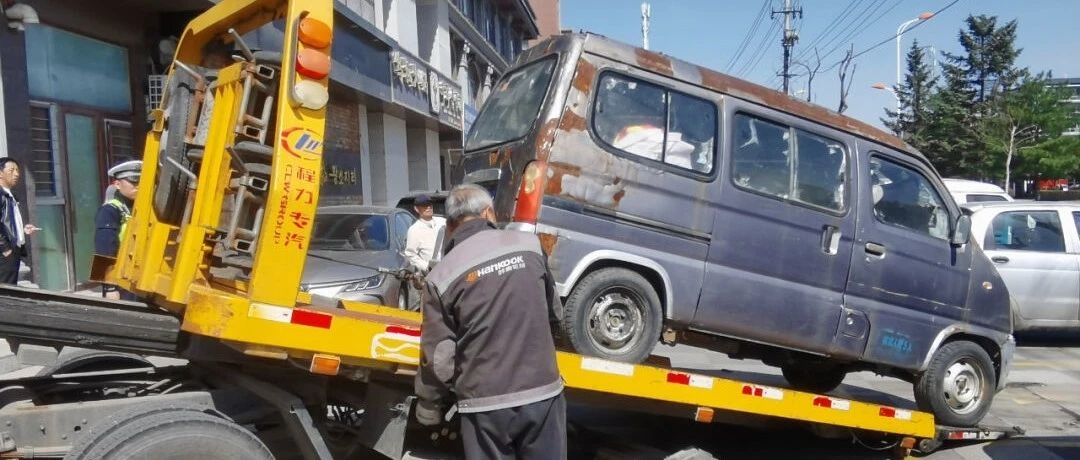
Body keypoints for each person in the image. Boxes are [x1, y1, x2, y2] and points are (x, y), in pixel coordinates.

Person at [414, 184, 566, 460]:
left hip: (484, 403)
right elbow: (555, 312)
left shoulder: (441, 276)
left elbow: (439, 357)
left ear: (450, 225)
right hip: (542, 393)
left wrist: (430, 403)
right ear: (489, 213)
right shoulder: (530, 246)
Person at [95, 160, 142, 300]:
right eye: (134, 182)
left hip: (138, 279)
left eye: (141, 181)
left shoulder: (141, 208)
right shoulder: (110, 210)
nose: (138, 186)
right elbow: (103, 250)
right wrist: (109, 287)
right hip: (121, 283)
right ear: (117, 184)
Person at [0, 158, 39, 285]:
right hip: (5, 253)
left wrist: (22, 230)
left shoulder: (11, 195)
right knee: (6, 292)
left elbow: (7, 223)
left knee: (11, 289)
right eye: (11, 170)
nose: (16, 174)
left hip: (14, 251)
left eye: (17, 170)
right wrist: (5, 248)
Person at [403, 194, 445, 274]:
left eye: (430, 205)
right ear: (416, 209)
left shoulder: (443, 222)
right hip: (432, 273)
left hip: (449, 268)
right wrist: (427, 267)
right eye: (424, 205)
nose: (428, 207)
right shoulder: (414, 230)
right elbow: (410, 255)